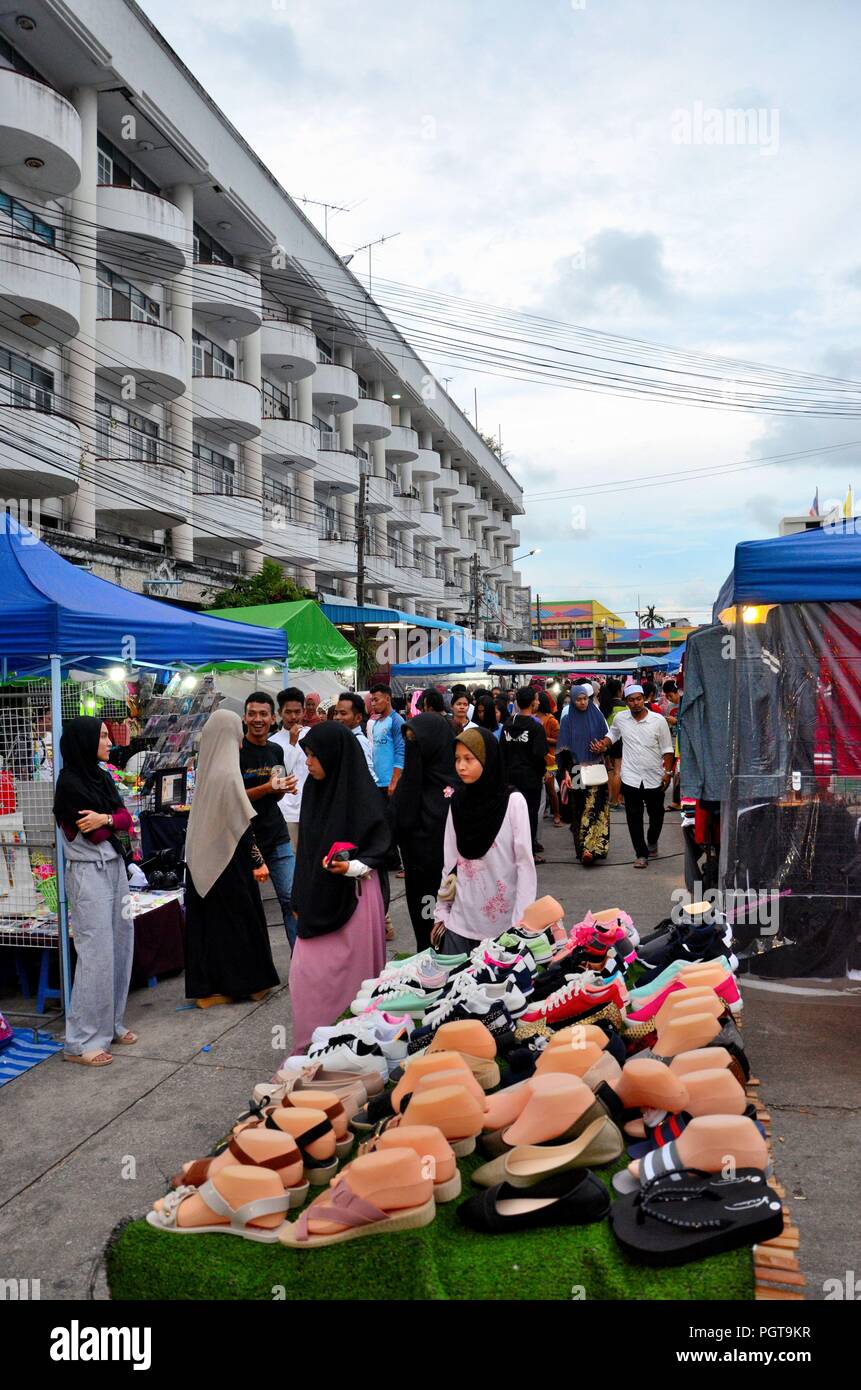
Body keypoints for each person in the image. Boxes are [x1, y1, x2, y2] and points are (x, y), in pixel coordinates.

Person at [290, 723, 391, 1050]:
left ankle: (353, 1046)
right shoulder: (314, 791)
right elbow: (305, 851)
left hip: (355, 897)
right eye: (307, 755)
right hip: (317, 896)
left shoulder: (361, 795)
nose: (308, 762)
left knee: (353, 978)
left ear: (333, 757)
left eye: (313, 756)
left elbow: (379, 848)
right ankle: (312, 1045)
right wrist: (299, 893)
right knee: (305, 976)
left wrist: (351, 867)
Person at [54, 717, 136, 1067]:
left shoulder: (100, 776)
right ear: (85, 741)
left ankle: (111, 1023)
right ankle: (81, 1040)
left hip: (114, 869)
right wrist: (110, 820)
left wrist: (106, 818)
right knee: (95, 954)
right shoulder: (70, 784)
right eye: (102, 735)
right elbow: (99, 833)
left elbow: (124, 819)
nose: (108, 741)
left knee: (121, 943)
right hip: (89, 874)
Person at [184, 711, 280, 1008]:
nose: (241, 739)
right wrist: (259, 862)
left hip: (205, 861)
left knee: (213, 927)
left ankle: (211, 986)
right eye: (237, 732)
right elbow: (243, 825)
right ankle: (248, 984)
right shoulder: (227, 773)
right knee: (241, 923)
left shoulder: (209, 771)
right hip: (230, 862)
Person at [430, 728, 537, 953]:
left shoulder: (513, 802)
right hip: (460, 922)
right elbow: (449, 862)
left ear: (488, 759)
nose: (461, 766)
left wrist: (520, 925)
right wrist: (442, 912)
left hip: (504, 925)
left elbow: (525, 867)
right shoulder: (458, 801)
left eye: (469, 759)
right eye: (457, 759)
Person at [392, 713, 456, 950]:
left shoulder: (458, 785)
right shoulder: (409, 783)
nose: (412, 748)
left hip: (453, 878)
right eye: (409, 742)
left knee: (452, 936)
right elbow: (395, 821)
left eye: (416, 742)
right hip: (418, 875)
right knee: (425, 931)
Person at [239, 692, 298, 946]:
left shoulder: (276, 750)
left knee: (292, 899)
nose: (257, 719)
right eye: (252, 714)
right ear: (244, 717)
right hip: (245, 840)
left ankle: (302, 964)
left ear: (273, 718)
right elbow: (234, 797)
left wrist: (285, 788)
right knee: (247, 906)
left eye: (263, 714)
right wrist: (270, 788)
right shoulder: (236, 750)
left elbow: (274, 794)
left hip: (277, 835)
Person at [609, 684, 674, 869]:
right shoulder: (621, 718)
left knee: (657, 815)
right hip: (630, 777)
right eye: (631, 700)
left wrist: (668, 773)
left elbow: (667, 749)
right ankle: (641, 853)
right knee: (633, 817)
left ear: (644, 699)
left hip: (654, 777)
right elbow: (613, 733)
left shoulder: (658, 720)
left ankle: (652, 841)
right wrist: (605, 742)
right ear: (626, 702)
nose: (635, 703)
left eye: (638, 699)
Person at [557, 685, 612, 866]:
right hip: (575, 770)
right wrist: (565, 772)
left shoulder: (597, 716)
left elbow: (607, 741)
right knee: (580, 808)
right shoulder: (567, 720)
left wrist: (603, 747)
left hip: (596, 767)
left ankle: (594, 848)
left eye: (584, 699)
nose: (582, 702)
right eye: (578, 699)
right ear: (573, 700)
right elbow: (563, 750)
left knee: (596, 808)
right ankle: (583, 850)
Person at [502, 686, 548, 861]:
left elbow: (502, 751)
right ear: (532, 702)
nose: (538, 702)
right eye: (536, 699)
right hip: (530, 779)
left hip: (510, 778)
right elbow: (539, 754)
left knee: (511, 816)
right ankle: (529, 853)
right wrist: (542, 771)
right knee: (530, 815)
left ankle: (512, 851)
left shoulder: (508, 723)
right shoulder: (536, 726)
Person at [270, 687, 309, 855]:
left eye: (297, 712)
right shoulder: (273, 742)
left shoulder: (312, 735)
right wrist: (293, 743)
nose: (293, 717)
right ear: (280, 713)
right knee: (292, 859)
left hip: (309, 807)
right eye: (288, 712)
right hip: (287, 812)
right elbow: (280, 777)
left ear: (304, 711)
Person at [599, 677, 628, 811]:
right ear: (618, 691)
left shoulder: (604, 706)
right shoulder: (624, 707)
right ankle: (616, 800)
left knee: (610, 770)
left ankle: (611, 798)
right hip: (619, 741)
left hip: (606, 741)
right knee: (618, 771)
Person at [333, 691, 376, 779]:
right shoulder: (343, 739)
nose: (337, 717)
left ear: (358, 718)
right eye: (336, 713)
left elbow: (369, 775)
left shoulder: (359, 742)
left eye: (343, 713)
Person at [536, 690, 562, 827]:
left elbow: (559, 740)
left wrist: (542, 738)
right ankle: (544, 811)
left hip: (549, 761)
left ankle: (557, 814)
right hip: (535, 761)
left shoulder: (551, 720)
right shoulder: (531, 717)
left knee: (551, 789)